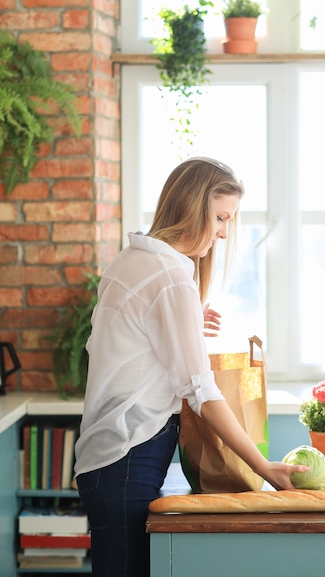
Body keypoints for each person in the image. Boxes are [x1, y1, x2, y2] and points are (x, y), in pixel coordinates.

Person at [74, 157, 308, 577]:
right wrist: (264, 466)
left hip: (107, 458)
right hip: (130, 456)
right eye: (220, 218)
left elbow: (121, 341)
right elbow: (202, 391)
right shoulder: (170, 276)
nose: (221, 233)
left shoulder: (130, 259)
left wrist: (185, 321)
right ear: (191, 204)